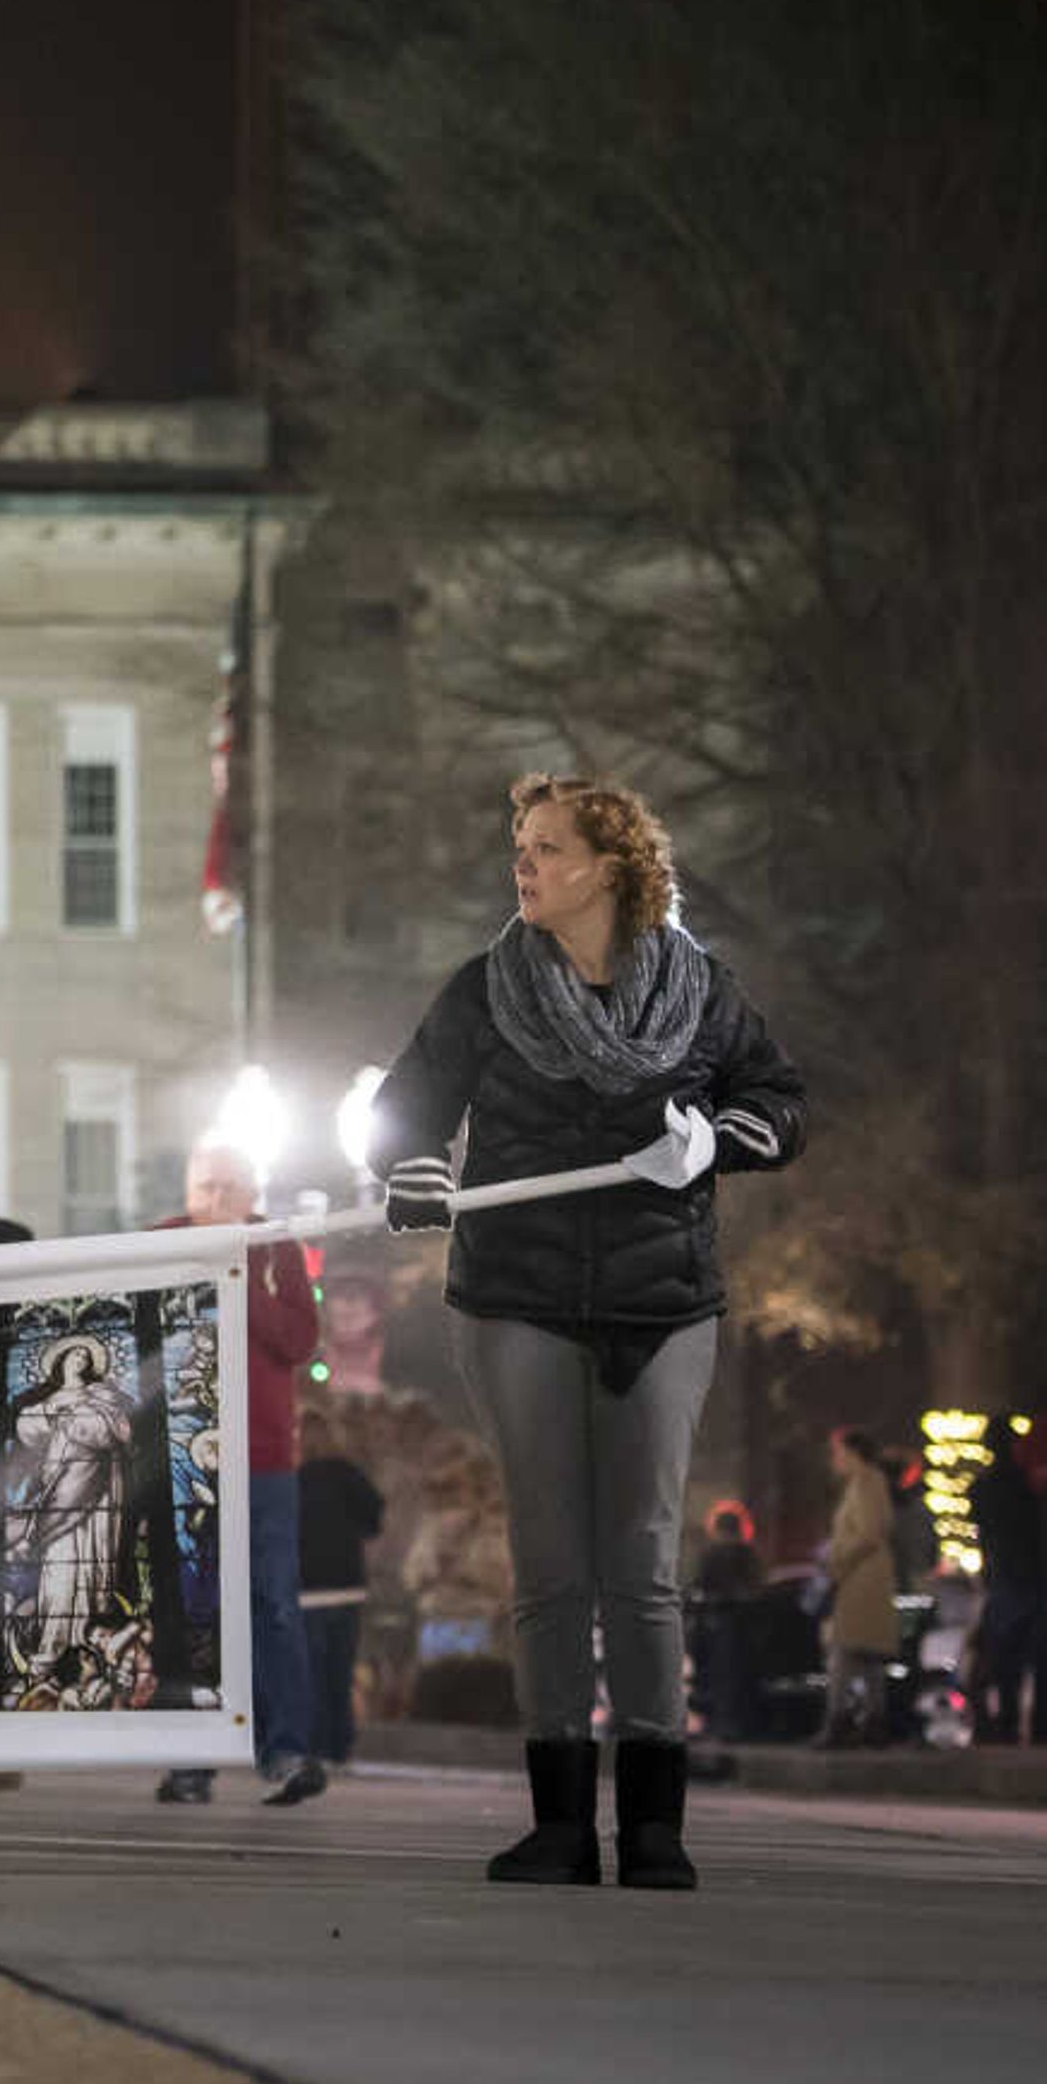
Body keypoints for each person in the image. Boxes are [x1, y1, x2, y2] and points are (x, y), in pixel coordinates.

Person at [368, 770, 802, 1892]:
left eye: (548, 847)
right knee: (553, 1563)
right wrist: (410, 1170)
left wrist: (716, 1139)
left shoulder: (701, 991)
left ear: (610, 868)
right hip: (520, 1298)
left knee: (644, 1562)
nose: (524, 864)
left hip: (664, 1306)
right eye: (519, 844)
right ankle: (559, 1823)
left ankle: (656, 1825)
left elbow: (780, 1099)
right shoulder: (486, 990)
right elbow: (403, 1110)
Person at [153, 1142, 328, 1808]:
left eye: (233, 1187)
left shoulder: (275, 1246)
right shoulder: (160, 1245)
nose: (220, 1199)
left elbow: (298, 1340)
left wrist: (236, 1274)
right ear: (189, 1189)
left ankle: (285, 1751)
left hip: (263, 1459)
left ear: (253, 1192)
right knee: (185, 1609)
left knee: (274, 1607)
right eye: (209, 1186)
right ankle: (188, 1759)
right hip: (180, 1454)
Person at [965, 1420, 1047, 1747]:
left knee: (1007, 1663)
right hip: (1034, 1578)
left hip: (1005, 1580)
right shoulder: (1031, 1488)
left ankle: (1006, 1725)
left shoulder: (982, 1488)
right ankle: (1045, 1729)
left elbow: (983, 1539)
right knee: (1044, 1662)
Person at [297, 1449, 386, 1772]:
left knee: (313, 1672)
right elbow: (374, 1517)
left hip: (308, 1591)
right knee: (339, 1670)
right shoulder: (347, 1472)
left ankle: (318, 1744)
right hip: (347, 1587)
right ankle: (339, 1744)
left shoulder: (293, 1477)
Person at [820, 1427, 899, 1747]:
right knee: (866, 1657)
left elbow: (868, 1533)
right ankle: (873, 1723)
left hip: (861, 1578)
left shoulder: (867, 1482)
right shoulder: (864, 1483)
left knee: (845, 1650)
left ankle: (838, 1722)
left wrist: (837, 1559)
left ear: (852, 1453)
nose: (834, 1460)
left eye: (838, 1452)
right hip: (862, 1577)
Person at [689, 1501, 767, 1742]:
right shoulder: (749, 1553)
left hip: (717, 1623)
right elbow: (757, 1587)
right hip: (745, 1625)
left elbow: (700, 1586)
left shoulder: (711, 1554)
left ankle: (719, 1724)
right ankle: (739, 1725)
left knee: (717, 1678)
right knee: (739, 1678)